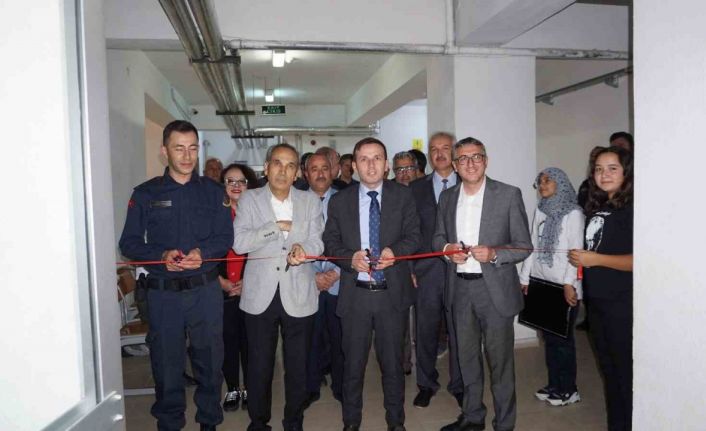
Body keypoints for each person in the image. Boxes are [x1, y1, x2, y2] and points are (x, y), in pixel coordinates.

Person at [119, 120, 233, 431]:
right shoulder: (146, 193)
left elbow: (225, 237)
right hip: (163, 293)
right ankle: (169, 423)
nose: (186, 156)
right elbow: (128, 243)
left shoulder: (213, 192)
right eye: (179, 148)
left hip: (204, 292)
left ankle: (209, 422)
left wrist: (202, 253)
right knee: (167, 365)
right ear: (164, 151)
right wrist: (161, 256)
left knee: (210, 362)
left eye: (192, 148)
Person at [432, 137, 532, 431]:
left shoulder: (508, 194)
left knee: (500, 362)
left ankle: (504, 423)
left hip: (495, 291)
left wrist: (495, 254)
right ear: (455, 165)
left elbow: (523, 245)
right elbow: (438, 238)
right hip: (460, 289)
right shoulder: (447, 198)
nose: (470, 163)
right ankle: (473, 416)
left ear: (486, 161)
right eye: (463, 158)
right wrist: (448, 250)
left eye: (476, 157)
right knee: (466, 359)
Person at [323, 137, 421, 431]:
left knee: (393, 366)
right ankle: (351, 423)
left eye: (377, 158)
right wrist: (349, 259)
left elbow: (414, 236)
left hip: (392, 294)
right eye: (363, 159)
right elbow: (330, 242)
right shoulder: (340, 201)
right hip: (356, 295)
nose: (370, 165)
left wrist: (396, 252)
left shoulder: (403, 196)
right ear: (353, 166)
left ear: (386, 164)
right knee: (353, 367)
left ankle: (396, 422)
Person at [233, 143, 324, 431]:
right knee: (259, 366)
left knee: (297, 366)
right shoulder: (249, 199)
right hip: (260, 295)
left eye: (290, 165)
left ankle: (294, 422)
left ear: (297, 172)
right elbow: (240, 243)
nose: (283, 171)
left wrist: (303, 250)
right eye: (277, 163)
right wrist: (277, 227)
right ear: (266, 167)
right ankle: (258, 422)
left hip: (299, 292)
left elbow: (317, 242)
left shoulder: (310, 201)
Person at [569, 146, 633, 431]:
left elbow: (640, 261)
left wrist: (595, 259)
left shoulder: (633, 208)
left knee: (625, 375)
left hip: (622, 304)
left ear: (626, 172)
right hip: (598, 303)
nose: (604, 174)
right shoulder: (600, 206)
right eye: (598, 169)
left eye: (612, 168)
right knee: (609, 372)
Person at [519, 167, 585, 406]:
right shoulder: (541, 210)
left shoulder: (574, 213)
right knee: (550, 338)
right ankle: (555, 384)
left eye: (548, 180)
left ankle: (569, 389)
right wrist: (525, 278)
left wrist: (570, 284)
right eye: (540, 181)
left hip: (563, 285)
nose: (543, 185)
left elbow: (576, 251)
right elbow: (532, 245)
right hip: (541, 282)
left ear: (561, 183)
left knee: (563, 341)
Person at [408, 132, 464, 408]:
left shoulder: (468, 183)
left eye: (445, 148)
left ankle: (460, 384)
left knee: (460, 330)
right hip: (426, 271)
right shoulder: (415, 189)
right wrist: (410, 267)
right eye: (434, 149)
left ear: (454, 152)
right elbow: (408, 231)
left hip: (461, 270)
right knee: (425, 330)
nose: (439, 154)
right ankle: (426, 383)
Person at [303, 153, 343, 408]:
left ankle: (341, 386)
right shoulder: (295, 201)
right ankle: (310, 387)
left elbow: (354, 241)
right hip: (307, 283)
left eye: (325, 168)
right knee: (309, 339)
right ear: (305, 174)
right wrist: (313, 277)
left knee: (341, 339)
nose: (320, 174)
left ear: (333, 172)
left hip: (341, 280)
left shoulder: (347, 200)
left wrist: (336, 272)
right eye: (314, 169)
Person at [219, 163, 259, 412]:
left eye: (241, 181)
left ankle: (251, 389)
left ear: (249, 185)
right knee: (228, 342)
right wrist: (221, 282)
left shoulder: (258, 214)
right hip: (222, 288)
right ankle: (233, 387)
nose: (236, 185)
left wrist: (249, 281)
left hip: (252, 287)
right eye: (230, 181)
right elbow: (207, 252)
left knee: (251, 343)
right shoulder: (215, 215)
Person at [391, 151, 419, 376]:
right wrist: (409, 269)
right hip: (399, 266)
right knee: (401, 320)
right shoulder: (388, 194)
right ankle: (403, 363)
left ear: (416, 169)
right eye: (399, 169)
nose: (404, 173)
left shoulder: (425, 192)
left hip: (428, 266)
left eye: (408, 168)